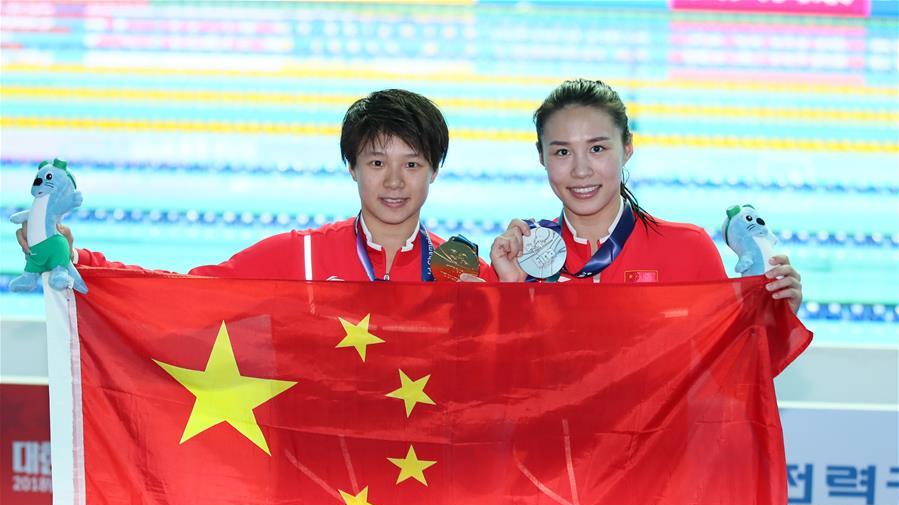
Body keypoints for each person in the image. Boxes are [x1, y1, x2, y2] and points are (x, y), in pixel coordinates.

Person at [18, 89, 491, 282]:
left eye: (412, 163)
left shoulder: (460, 267)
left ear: (434, 170)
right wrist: (76, 258)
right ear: (351, 166)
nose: (393, 180)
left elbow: (527, 353)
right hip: (316, 478)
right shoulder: (298, 255)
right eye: (375, 161)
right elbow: (182, 296)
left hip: (424, 478)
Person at [489, 79, 802, 311]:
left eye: (597, 148)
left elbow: (732, 367)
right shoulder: (525, 259)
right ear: (541, 156)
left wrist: (777, 310)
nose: (581, 170)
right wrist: (511, 293)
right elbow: (505, 383)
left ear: (627, 147)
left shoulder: (687, 250)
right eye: (562, 152)